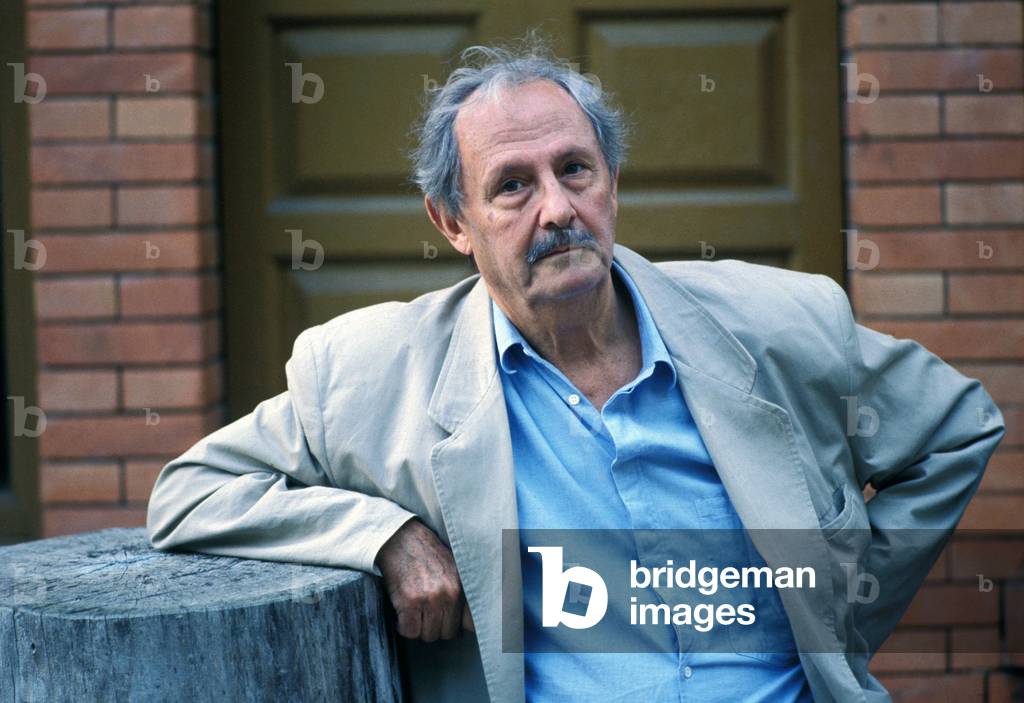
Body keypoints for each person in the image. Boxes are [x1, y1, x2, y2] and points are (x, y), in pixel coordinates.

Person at [147, 37, 1004, 703]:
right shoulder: (369, 373)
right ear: (453, 220)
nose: (557, 209)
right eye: (512, 186)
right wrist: (380, 535)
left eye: (574, 170)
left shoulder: (780, 322)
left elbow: (957, 428)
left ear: (613, 182)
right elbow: (191, 489)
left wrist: (842, 611)